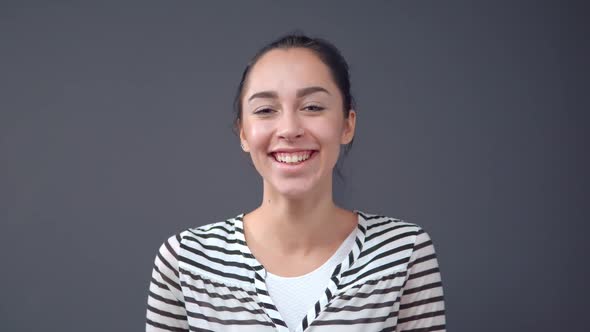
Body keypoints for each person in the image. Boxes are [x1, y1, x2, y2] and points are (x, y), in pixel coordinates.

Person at [146, 33, 446, 332]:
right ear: (243, 133)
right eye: (265, 110)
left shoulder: (404, 252)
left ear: (347, 125)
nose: (289, 129)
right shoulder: (186, 259)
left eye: (313, 107)